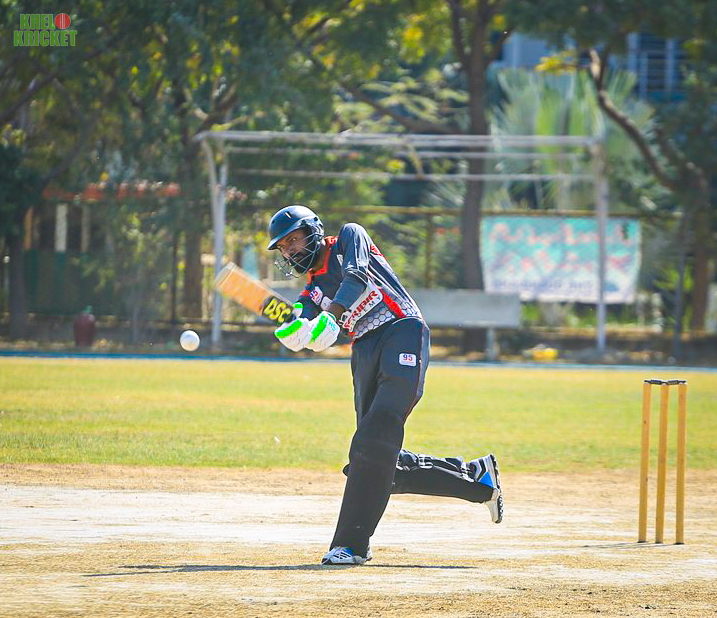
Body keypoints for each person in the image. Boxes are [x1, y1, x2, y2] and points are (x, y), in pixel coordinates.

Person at [267, 204, 504, 566]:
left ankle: (351, 545)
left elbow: (357, 275)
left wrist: (332, 316)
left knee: (374, 440)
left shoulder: (349, 237)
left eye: (294, 240)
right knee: (372, 457)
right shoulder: (313, 288)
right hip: (364, 350)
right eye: (283, 247)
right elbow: (304, 314)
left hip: (401, 331)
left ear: (313, 231)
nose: (290, 251)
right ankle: (476, 479)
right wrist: (296, 330)